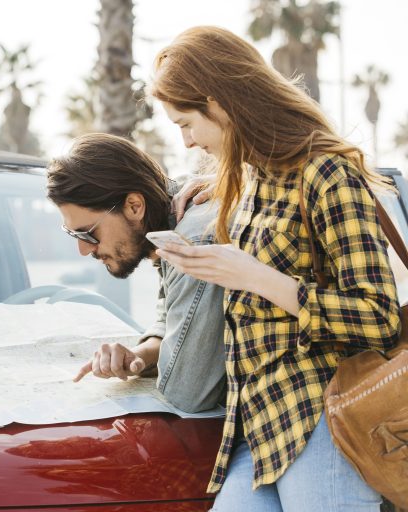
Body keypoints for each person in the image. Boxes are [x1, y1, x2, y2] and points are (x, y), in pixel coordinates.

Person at [148, 26, 400, 510]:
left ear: (217, 103)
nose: (185, 141)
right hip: (257, 429)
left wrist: (255, 277)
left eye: (185, 124)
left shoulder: (326, 172)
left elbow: (379, 316)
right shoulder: (250, 183)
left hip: (322, 419)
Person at [47, 132, 226, 414]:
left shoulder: (193, 239)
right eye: (72, 234)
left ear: (134, 206)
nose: (84, 249)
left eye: (88, 233)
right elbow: (170, 318)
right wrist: (139, 356)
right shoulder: (165, 227)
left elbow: (187, 393)